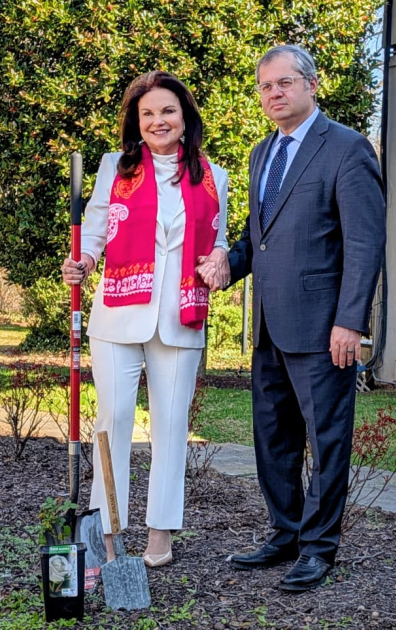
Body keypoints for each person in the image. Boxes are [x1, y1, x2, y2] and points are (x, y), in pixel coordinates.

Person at [197, 45, 386, 591]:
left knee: (327, 443)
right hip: (268, 328)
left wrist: (351, 322)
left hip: (324, 330)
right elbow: (260, 236)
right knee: (273, 439)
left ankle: (318, 548)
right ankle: (285, 533)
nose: (274, 93)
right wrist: (227, 264)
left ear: (311, 84)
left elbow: (364, 243)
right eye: (265, 86)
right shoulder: (262, 153)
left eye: (284, 82)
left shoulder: (347, 149)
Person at [61, 71, 229, 569]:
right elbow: (95, 231)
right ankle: (108, 532)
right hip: (117, 315)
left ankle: (160, 532)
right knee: (112, 422)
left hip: (180, 317)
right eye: (148, 113)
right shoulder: (115, 168)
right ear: (137, 122)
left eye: (168, 111)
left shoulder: (213, 176)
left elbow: (218, 238)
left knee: (171, 426)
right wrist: (82, 261)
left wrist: (221, 258)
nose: (158, 120)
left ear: (185, 118)